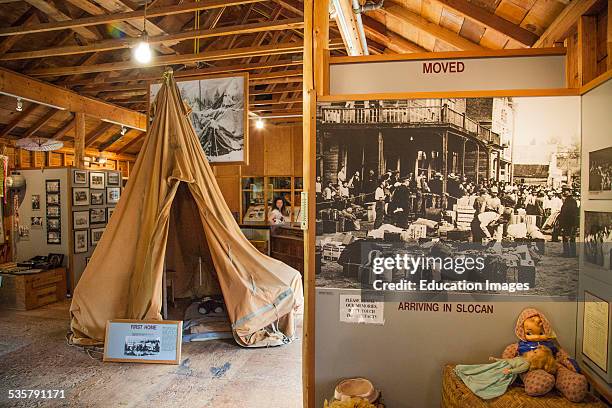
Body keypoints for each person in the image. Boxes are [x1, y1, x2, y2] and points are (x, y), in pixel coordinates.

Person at [454, 345, 557, 400]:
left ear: (538, 360)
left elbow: (519, 370)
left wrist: (510, 371)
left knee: (492, 377)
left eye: (535, 352)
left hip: (505, 371)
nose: (531, 351)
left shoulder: (526, 364)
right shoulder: (521, 357)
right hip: (501, 366)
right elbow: (508, 360)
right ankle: (469, 372)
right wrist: (496, 359)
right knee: (485, 369)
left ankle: (478, 382)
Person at [558, 187, 579, 257]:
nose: (564, 193)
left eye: (566, 192)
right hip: (571, 222)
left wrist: (562, 223)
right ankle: (572, 253)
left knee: (566, 238)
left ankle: (567, 253)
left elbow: (566, 213)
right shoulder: (572, 201)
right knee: (572, 238)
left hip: (568, 222)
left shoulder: (569, 202)